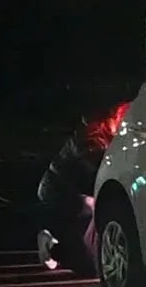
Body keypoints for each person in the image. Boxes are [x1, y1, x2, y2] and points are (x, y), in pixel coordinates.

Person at [36, 98, 131, 273]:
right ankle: (53, 247)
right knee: (98, 210)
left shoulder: (105, 136)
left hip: (69, 191)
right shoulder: (90, 137)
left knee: (84, 253)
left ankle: (58, 245)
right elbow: (96, 169)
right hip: (60, 192)